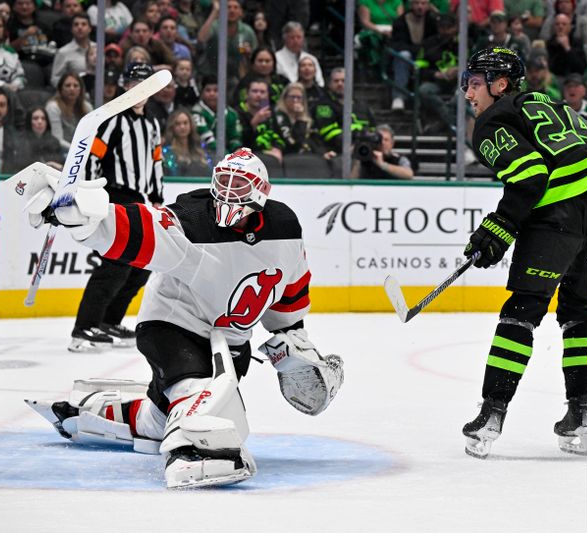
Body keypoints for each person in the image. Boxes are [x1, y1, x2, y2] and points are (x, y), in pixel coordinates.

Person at [17, 147, 344, 489]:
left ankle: (90, 411)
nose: (230, 193)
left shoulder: (285, 227)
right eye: (224, 182)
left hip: (229, 345)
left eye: (240, 184)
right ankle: (196, 450)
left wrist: (293, 338)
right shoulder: (192, 218)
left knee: (156, 422)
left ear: (262, 191)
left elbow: (291, 286)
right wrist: (89, 218)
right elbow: (145, 228)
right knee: (201, 397)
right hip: (172, 326)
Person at [459, 47, 587, 458]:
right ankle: (582, 411)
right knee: (580, 310)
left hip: (565, 211)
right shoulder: (558, 107)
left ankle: (491, 414)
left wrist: (499, 225)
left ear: (499, 84)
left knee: (523, 309)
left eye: (473, 84)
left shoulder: (492, 119)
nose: (468, 94)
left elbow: (529, 176)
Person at [69, 63, 165, 353]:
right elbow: (93, 157)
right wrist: (90, 193)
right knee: (116, 262)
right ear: (125, 86)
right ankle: (84, 327)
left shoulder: (152, 123)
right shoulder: (112, 119)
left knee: (141, 264)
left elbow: (156, 162)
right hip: (113, 196)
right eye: (135, 83)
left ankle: (109, 321)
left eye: (146, 84)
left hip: (139, 199)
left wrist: (157, 195)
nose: (140, 89)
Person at [390, 0, 438, 110]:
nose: (420, 7)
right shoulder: (400, 21)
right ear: (411, 4)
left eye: (423, 3)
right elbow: (398, 44)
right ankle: (398, 96)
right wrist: (417, 50)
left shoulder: (432, 21)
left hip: (428, 56)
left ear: (428, 5)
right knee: (403, 55)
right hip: (409, 56)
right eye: (417, 3)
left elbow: (435, 41)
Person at [192, 75, 243, 160]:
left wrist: (237, 151)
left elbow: (235, 137)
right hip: (202, 157)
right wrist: (228, 158)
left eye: (216, 90)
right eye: (208, 90)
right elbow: (208, 141)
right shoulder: (197, 113)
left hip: (228, 158)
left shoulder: (231, 114)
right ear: (202, 93)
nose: (212, 94)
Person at [45, 72, 93, 151]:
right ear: (61, 89)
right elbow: (57, 139)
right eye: (68, 85)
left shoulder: (87, 107)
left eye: (75, 86)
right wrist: (78, 151)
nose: (72, 89)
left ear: (80, 89)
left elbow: (91, 135)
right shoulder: (53, 107)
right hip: (60, 151)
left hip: (82, 150)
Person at [162, 108, 212, 176]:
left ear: (191, 125)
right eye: (177, 124)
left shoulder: (201, 149)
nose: (182, 127)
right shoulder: (167, 152)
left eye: (185, 123)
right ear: (172, 127)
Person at [50, 12, 94, 86]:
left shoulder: (99, 49)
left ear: (90, 29)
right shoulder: (63, 52)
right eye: (76, 24)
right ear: (72, 29)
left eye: (83, 24)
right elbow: (55, 79)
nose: (80, 27)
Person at [275, 21, 324, 86]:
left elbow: (320, 82)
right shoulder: (276, 58)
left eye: (299, 37)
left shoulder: (311, 59)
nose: (296, 41)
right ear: (285, 39)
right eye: (292, 38)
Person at [17, 106, 65, 171]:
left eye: (43, 118)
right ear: (29, 121)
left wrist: (55, 165)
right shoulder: (22, 142)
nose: (40, 121)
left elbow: (62, 167)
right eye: (35, 118)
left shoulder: (54, 142)